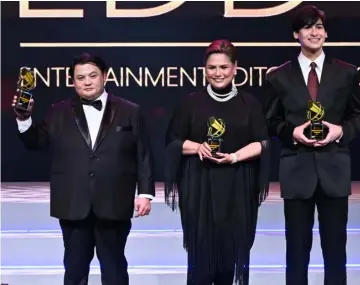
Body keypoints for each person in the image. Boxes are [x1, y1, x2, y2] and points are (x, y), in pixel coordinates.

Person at [12, 53, 155, 285]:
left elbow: (143, 153)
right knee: (75, 268)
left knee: (115, 267)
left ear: (105, 76)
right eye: (80, 78)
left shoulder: (130, 110)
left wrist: (145, 193)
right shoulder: (58, 111)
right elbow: (34, 142)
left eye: (92, 76)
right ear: (73, 82)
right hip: (73, 203)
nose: (87, 82)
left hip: (113, 201)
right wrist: (24, 118)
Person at [264, 5, 360, 285]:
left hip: (334, 169)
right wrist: (292, 132)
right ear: (296, 34)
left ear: (326, 33)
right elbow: (270, 121)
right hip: (297, 170)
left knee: (336, 252)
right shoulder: (279, 76)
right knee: (296, 253)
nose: (314, 32)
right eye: (308, 27)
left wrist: (340, 131)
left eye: (319, 27)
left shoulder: (346, 73)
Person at [164, 39, 270, 285]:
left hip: (237, 188)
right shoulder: (190, 103)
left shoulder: (249, 104)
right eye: (212, 68)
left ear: (235, 68)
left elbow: (262, 143)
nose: (218, 73)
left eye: (223, 67)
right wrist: (197, 147)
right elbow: (173, 141)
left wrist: (234, 157)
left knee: (230, 257)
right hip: (199, 187)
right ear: (204, 69)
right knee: (200, 259)